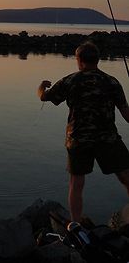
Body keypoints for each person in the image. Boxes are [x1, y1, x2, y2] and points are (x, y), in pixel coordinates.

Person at [37, 41, 129, 222]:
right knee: (126, 176)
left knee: (76, 183)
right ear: (98, 60)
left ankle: (76, 224)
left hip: (77, 139)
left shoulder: (70, 80)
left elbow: (44, 96)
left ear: (79, 60)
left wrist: (42, 85)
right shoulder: (112, 82)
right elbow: (127, 115)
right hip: (107, 139)